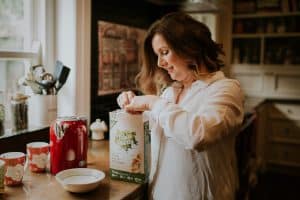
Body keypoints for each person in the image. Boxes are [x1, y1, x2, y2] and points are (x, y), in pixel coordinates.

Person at [116, 12, 244, 200]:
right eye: (157, 55)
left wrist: (152, 102)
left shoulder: (226, 89)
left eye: (165, 52)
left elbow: (198, 135)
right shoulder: (170, 92)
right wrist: (132, 108)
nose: (160, 63)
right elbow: (152, 134)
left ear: (189, 47)